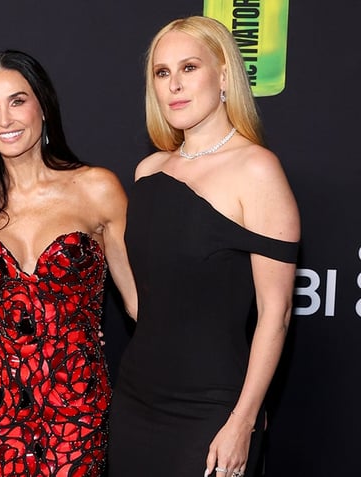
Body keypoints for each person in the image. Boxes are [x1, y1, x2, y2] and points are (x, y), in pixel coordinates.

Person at [107, 16, 300, 477]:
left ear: (225, 76)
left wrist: (244, 420)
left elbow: (278, 313)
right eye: (162, 72)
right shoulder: (148, 172)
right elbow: (147, 303)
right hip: (135, 401)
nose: (173, 84)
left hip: (213, 412)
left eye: (189, 67)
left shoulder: (257, 170)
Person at [0, 50, 137, 476]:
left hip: (77, 396)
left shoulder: (96, 188)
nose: (5, 120)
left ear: (43, 106)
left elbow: (138, 304)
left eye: (17, 101)